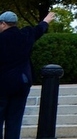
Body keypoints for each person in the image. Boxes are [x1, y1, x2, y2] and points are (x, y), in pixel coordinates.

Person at [0, 10, 55, 139]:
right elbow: (39, 29)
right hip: (21, 83)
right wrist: (46, 20)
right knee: (15, 120)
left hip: (2, 84)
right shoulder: (25, 35)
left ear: (3, 24)